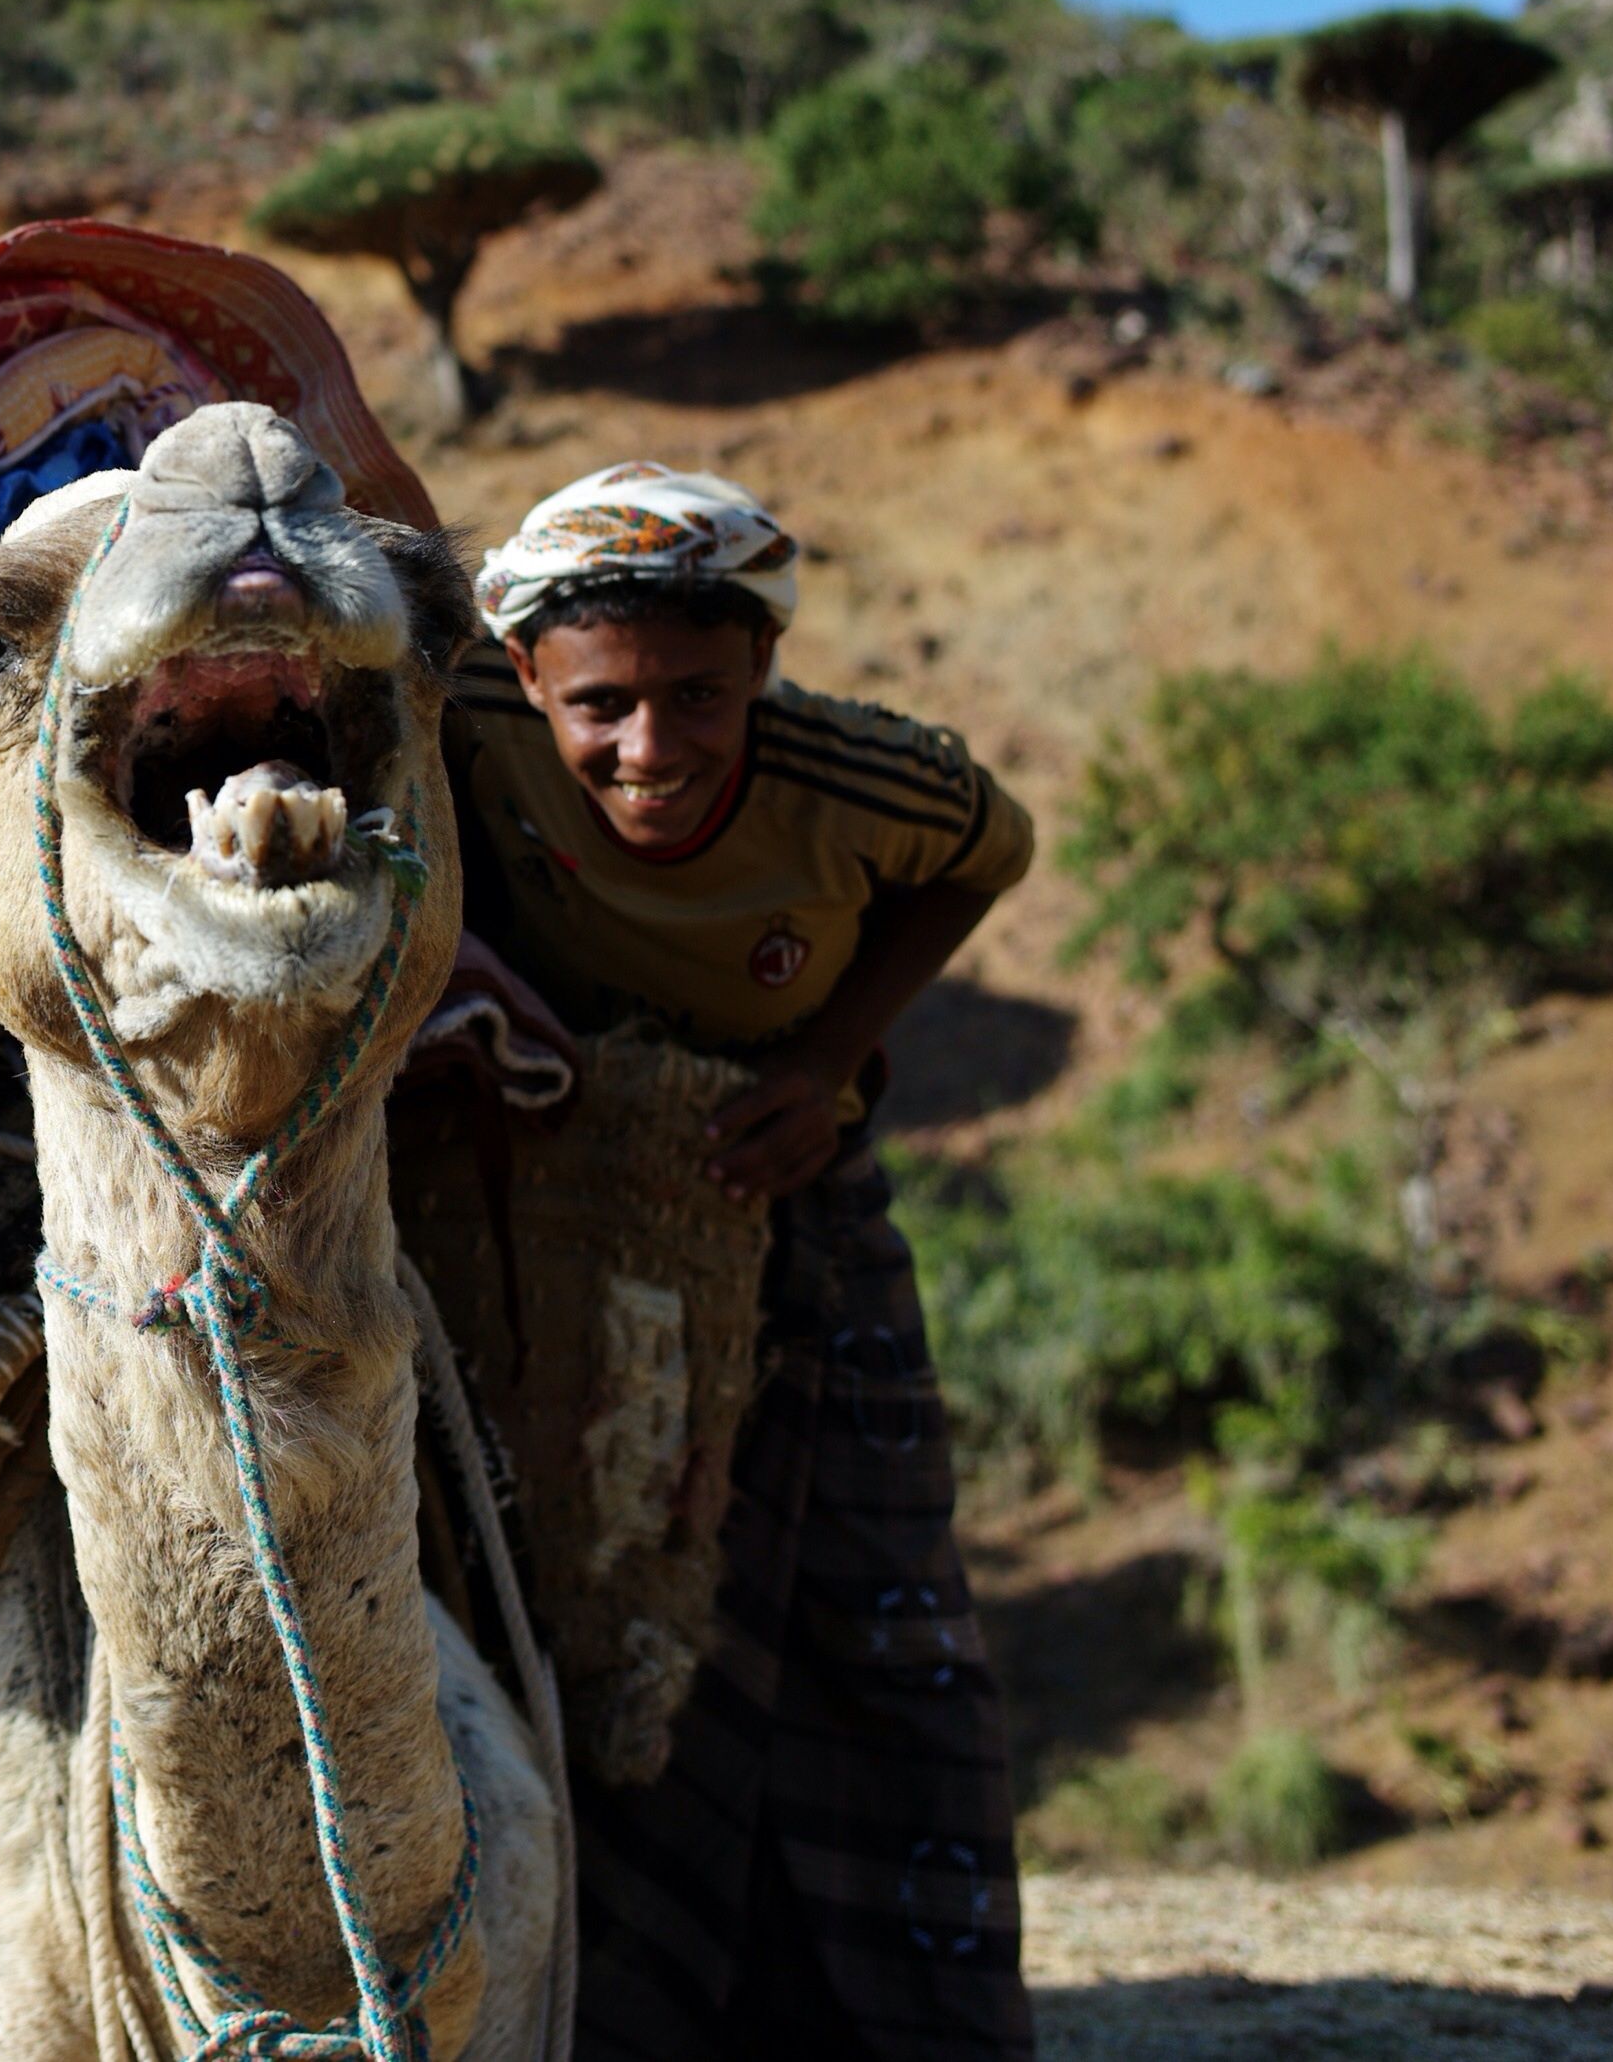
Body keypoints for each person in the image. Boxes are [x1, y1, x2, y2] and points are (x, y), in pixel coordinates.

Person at [443, 462, 1037, 2062]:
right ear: (527, 685)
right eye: (606, 707)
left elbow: (992, 854)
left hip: (794, 1208)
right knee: (597, 1612)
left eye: (700, 694)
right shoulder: (467, 730)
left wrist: (836, 1058)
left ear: (766, 669)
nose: (652, 749)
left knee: (871, 1621)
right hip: (562, 1221)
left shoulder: (870, 783)